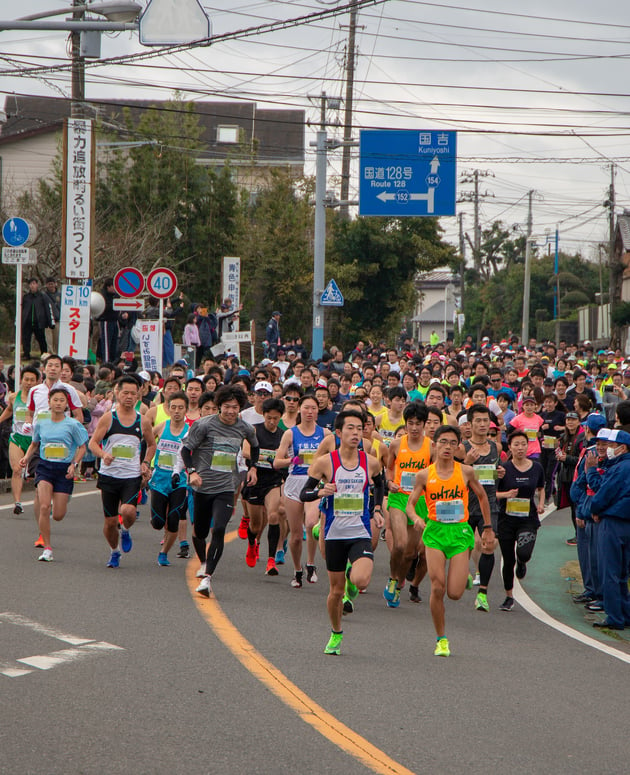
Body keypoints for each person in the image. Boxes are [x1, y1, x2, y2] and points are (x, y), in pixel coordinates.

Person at [300, 409, 385, 655]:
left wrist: (377, 508)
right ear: (338, 432)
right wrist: (320, 492)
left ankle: (353, 574)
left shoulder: (370, 461)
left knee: (361, 579)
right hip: (334, 533)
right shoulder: (325, 462)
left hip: (360, 530)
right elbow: (304, 493)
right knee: (335, 592)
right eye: (350, 428)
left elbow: (379, 483)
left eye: (360, 428)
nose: (356, 433)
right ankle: (336, 633)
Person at [406, 424, 493, 656]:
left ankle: (462, 574)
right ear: (434, 445)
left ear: (458, 447)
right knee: (437, 587)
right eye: (443, 442)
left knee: (454, 594)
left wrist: (487, 528)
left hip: (459, 534)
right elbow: (410, 504)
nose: (447, 447)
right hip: (434, 533)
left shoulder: (465, 472)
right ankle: (441, 639)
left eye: (452, 443)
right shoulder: (424, 475)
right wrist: (415, 518)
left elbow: (483, 497)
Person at [182, 385, 259, 597]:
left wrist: (252, 467)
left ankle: (207, 576)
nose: (231, 411)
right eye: (227, 407)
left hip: (226, 487)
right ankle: (204, 561)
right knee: (200, 531)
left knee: (219, 529)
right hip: (203, 486)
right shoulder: (203, 425)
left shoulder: (244, 428)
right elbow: (186, 450)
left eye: (235, 407)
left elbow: (255, 446)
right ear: (219, 406)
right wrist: (192, 472)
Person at [89, 375, 156, 568]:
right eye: (125, 392)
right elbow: (93, 443)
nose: (129, 397)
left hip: (131, 476)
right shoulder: (109, 418)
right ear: (117, 393)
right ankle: (114, 552)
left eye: (133, 393)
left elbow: (151, 445)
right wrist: (103, 454)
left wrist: (145, 462)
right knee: (110, 523)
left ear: (138, 395)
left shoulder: (142, 421)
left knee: (128, 511)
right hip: (109, 475)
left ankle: (125, 529)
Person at [19, 387, 88, 562]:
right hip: (45, 467)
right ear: (49, 402)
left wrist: (74, 464)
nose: (58, 403)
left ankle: (59, 503)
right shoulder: (42, 422)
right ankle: (47, 548)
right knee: (44, 506)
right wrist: (26, 458)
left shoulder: (72, 424)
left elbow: (82, 447)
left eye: (62, 401)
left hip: (64, 469)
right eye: (55, 400)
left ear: (67, 404)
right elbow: (34, 444)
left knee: (58, 515)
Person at [274, 394, 330, 587]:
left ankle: (311, 563)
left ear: (318, 411)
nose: (309, 412)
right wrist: (292, 460)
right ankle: (298, 569)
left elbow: (333, 459)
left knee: (312, 522)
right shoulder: (290, 434)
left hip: (314, 483)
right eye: (306, 408)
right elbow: (276, 462)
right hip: (294, 484)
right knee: (296, 536)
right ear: (300, 409)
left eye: (313, 408)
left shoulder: (325, 434)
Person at [384, 401, 431, 608]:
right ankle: (393, 578)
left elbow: (437, 473)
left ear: (424, 424)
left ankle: (399, 582)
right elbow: (388, 469)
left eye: (418, 423)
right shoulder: (396, 444)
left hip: (420, 500)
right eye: (410, 423)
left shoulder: (431, 446)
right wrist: (390, 482)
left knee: (411, 553)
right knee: (400, 544)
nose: (414, 427)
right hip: (399, 498)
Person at [496, 431, 545, 611]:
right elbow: (492, 494)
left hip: (528, 519)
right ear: (510, 447)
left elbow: (541, 488)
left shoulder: (537, 468)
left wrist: (540, 503)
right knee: (508, 560)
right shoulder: (502, 469)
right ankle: (509, 596)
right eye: (516, 444)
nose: (520, 448)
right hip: (506, 520)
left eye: (523, 444)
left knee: (523, 554)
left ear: (528, 445)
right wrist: (506, 495)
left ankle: (522, 562)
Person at [461, 403, 503, 611]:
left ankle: (483, 594)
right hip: (465, 506)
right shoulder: (462, 447)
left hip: (489, 505)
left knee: (489, 545)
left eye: (486, 420)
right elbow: (455, 477)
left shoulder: (497, 447)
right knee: (463, 549)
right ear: (469, 424)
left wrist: (499, 473)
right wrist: (467, 462)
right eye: (478, 420)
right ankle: (462, 574)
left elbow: (492, 474)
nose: (483, 424)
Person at [589, 429, 630, 630]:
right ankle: (625, 613)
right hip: (626, 523)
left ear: (623, 448)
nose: (609, 449)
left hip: (613, 522)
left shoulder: (620, 468)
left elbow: (603, 495)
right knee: (623, 573)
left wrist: (595, 509)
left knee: (610, 572)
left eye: (613, 446)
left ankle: (614, 616)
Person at [242, 397, 287, 575]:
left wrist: (279, 459)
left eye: (276, 418)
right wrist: (267, 457)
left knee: (274, 515)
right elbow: (246, 451)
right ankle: (252, 543)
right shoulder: (254, 430)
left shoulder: (283, 435)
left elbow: (285, 459)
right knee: (256, 525)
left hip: (273, 480)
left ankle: (271, 560)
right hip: (255, 479)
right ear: (264, 415)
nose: (272, 421)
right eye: (269, 417)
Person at [149, 391, 190, 566]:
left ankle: (164, 552)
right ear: (168, 409)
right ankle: (163, 529)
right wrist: (145, 464)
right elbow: (148, 443)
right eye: (173, 407)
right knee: (158, 522)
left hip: (179, 481)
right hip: (159, 479)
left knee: (173, 520)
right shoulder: (161, 427)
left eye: (181, 408)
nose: (177, 411)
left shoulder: (191, 431)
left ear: (186, 410)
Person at [0, 365, 39, 514]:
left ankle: (45, 499)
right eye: (26, 379)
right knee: (16, 469)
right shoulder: (13, 397)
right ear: (21, 380)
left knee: (38, 474)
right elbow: (9, 410)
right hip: (17, 437)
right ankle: (17, 502)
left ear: (37, 382)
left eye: (32, 380)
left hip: (35, 440)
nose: (29, 383)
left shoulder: (42, 399)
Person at [22, 277, 55, 359]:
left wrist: (50, 322)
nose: (32, 286)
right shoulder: (26, 297)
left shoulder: (42, 296)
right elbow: (21, 309)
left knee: (41, 339)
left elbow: (48, 309)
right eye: (31, 284)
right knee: (26, 339)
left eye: (34, 283)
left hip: (39, 322)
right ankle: (26, 354)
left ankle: (43, 354)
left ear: (37, 285)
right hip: (27, 322)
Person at [96, 278, 120, 364]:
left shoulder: (116, 295)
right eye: (113, 286)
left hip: (115, 320)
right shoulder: (103, 296)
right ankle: (106, 362)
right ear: (108, 287)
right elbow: (105, 308)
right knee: (106, 342)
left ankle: (114, 361)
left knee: (115, 342)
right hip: (106, 320)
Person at [43, 276, 61, 353]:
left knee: (57, 341)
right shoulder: (44, 295)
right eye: (49, 284)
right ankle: (50, 355)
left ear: (55, 284)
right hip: (47, 322)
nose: (51, 285)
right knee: (49, 341)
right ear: (46, 285)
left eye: (52, 284)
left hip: (57, 320)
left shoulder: (60, 295)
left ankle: (57, 355)